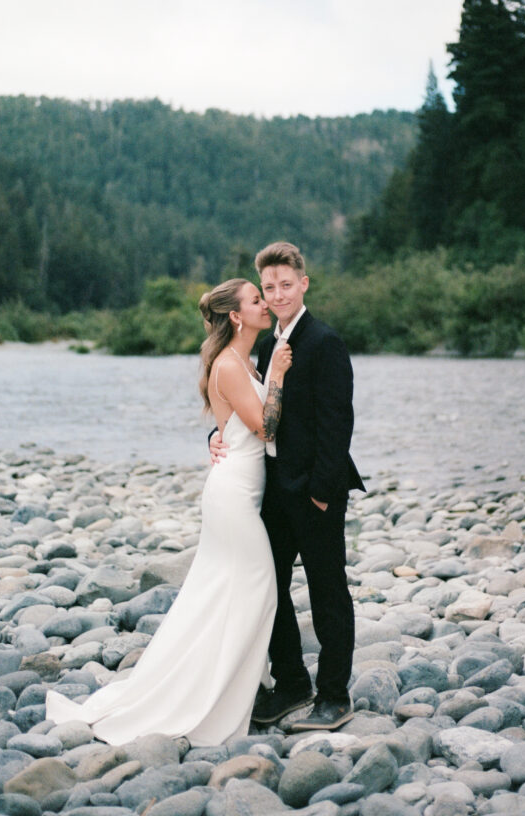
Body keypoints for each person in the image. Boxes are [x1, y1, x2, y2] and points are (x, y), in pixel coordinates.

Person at [46, 278, 292, 746]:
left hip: (242, 490)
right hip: (234, 495)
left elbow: (234, 426)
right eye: (256, 299)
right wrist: (278, 374)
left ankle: (225, 684)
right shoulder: (231, 365)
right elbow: (264, 429)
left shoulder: (242, 361)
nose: (265, 303)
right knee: (258, 587)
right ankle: (211, 692)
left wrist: (225, 427)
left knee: (222, 592)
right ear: (236, 316)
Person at [211, 242, 365, 732]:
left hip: (316, 490)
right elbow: (250, 407)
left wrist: (321, 492)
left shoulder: (324, 342)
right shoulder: (264, 343)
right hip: (274, 488)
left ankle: (335, 696)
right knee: (269, 585)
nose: (276, 295)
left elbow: (337, 425)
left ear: (304, 284)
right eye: (269, 288)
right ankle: (293, 683)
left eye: (285, 285)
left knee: (327, 589)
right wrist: (217, 435)